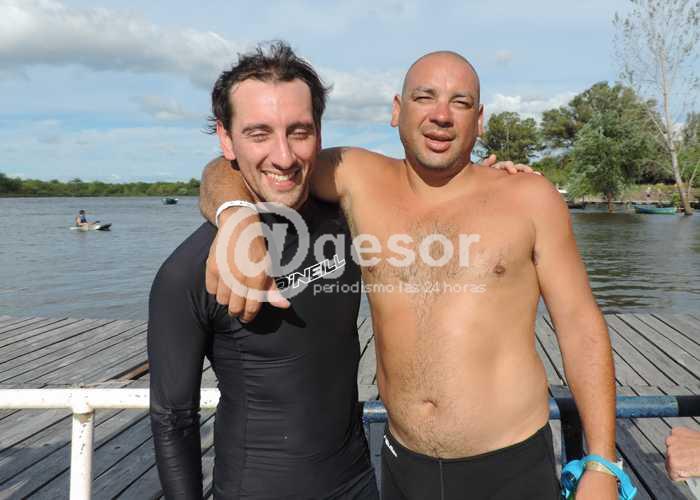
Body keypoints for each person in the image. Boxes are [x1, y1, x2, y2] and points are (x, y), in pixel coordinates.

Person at [200, 50, 620, 500]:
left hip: (510, 467)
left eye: (460, 102)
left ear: (479, 121)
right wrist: (237, 218)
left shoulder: (530, 197)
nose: (441, 115)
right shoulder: (356, 177)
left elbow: (579, 326)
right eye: (425, 97)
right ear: (397, 111)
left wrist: (601, 462)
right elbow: (239, 167)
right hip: (405, 467)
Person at [148, 42, 379, 499]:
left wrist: (500, 179)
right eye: (259, 133)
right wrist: (235, 214)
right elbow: (173, 419)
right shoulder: (190, 270)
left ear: (319, 132)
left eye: (299, 131)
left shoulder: (346, 218)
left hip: (358, 483)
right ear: (226, 139)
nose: (284, 156)